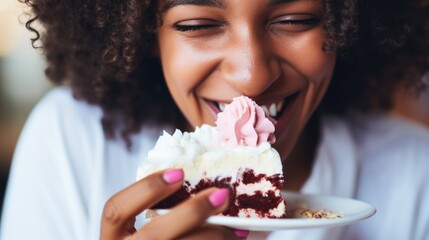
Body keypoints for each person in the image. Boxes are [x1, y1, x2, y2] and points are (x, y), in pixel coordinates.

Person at [1, 0, 428, 239]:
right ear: (146, 36)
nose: (252, 76)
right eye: (197, 25)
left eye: (297, 20)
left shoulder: (416, 174)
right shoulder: (72, 140)